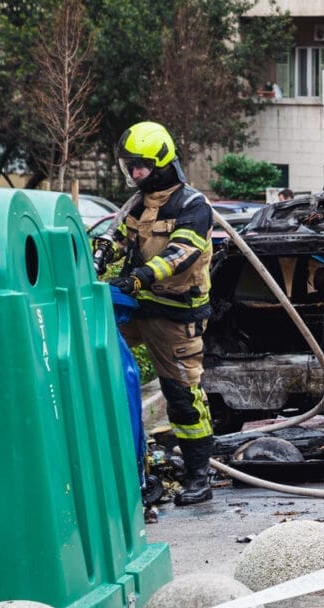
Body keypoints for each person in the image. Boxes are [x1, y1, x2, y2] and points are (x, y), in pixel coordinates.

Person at [92, 121, 216, 506]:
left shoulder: (192, 206)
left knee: (181, 393)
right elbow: (119, 235)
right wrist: (100, 254)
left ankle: (199, 476)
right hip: (138, 306)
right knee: (99, 365)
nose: (134, 173)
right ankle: (129, 460)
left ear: (161, 164)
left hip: (176, 314)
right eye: (129, 165)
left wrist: (140, 277)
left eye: (140, 166)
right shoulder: (140, 202)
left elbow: (181, 254)